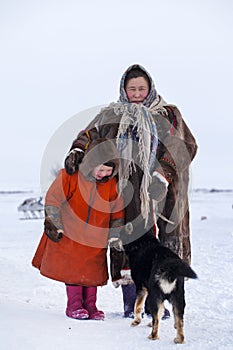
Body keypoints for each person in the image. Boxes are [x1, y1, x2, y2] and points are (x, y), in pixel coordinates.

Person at [64, 64, 198, 318]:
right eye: (132, 88)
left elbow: (186, 145)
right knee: (131, 246)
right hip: (127, 191)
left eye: (141, 88)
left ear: (150, 89)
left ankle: (163, 301)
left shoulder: (168, 114)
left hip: (163, 190)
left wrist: (163, 174)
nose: (136, 93)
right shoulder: (111, 114)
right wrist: (78, 151)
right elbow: (89, 135)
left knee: (165, 244)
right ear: (124, 90)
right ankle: (133, 300)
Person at [32, 138, 125, 321]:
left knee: (92, 272)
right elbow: (53, 198)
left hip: (96, 238)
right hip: (70, 234)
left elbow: (117, 211)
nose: (103, 173)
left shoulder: (112, 185)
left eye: (108, 170)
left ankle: (91, 305)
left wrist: (115, 233)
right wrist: (54, 223)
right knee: (73, 270)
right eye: (101, 168)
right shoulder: (71, 176)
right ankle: (73, 304)